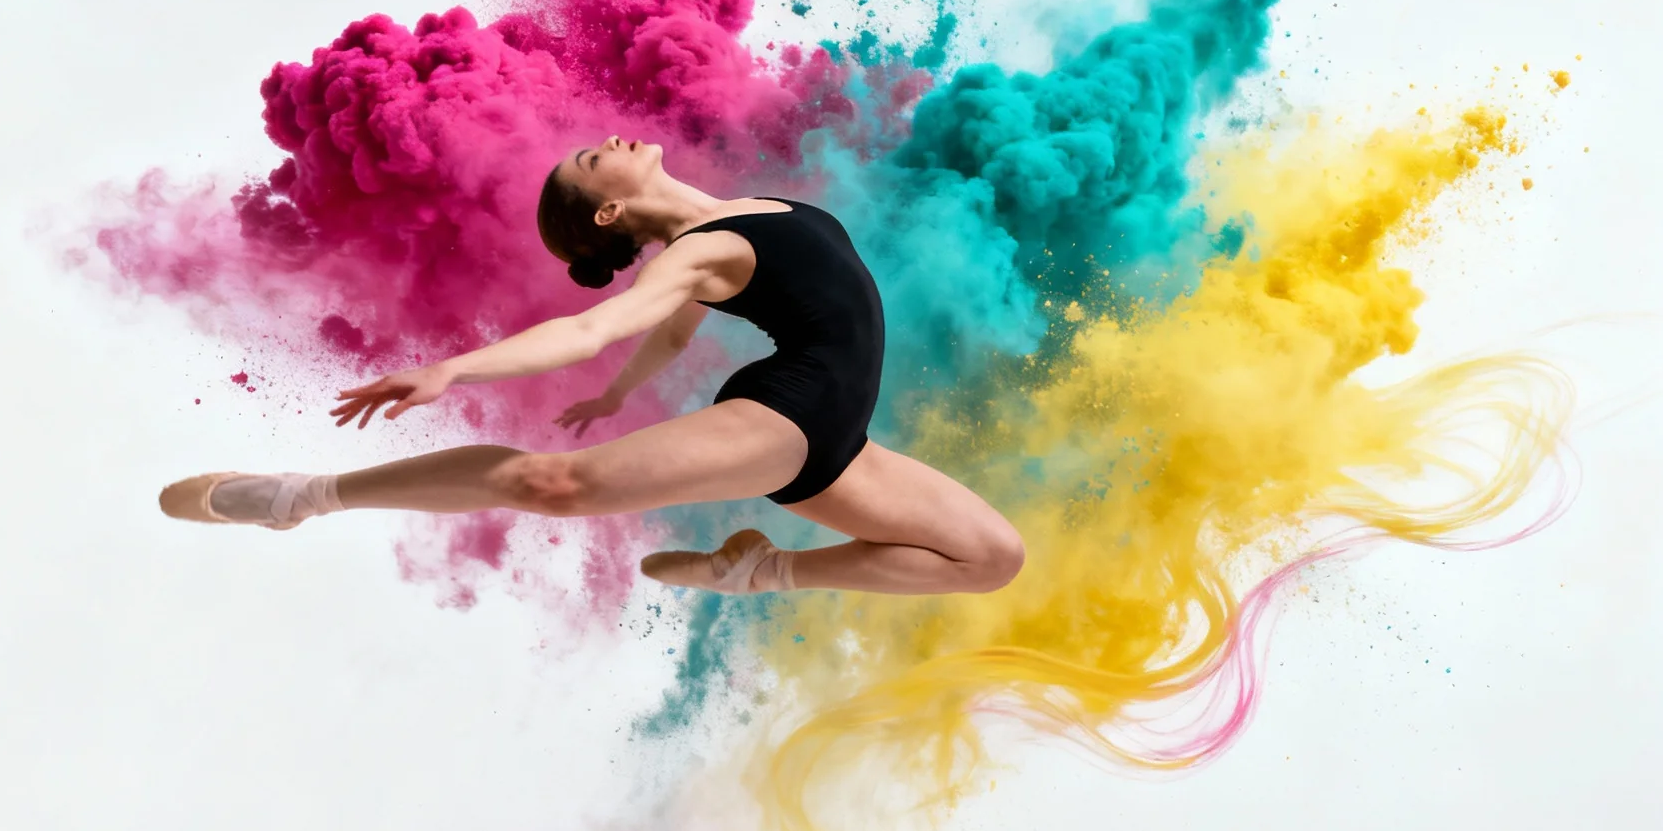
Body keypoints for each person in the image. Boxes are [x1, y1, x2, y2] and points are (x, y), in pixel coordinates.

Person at [159, 135, 1025, 595]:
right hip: (788, 415)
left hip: (843, 438)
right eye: (590, 159)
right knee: (553, 485)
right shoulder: (697, 251)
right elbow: (590, 328)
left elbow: (676, 335)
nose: (608, 138)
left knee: (990, 559)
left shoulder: (745, 211)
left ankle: (755, 572)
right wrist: (455, 371)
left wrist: (618, 393)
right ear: (610, 206)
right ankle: (300, 497)